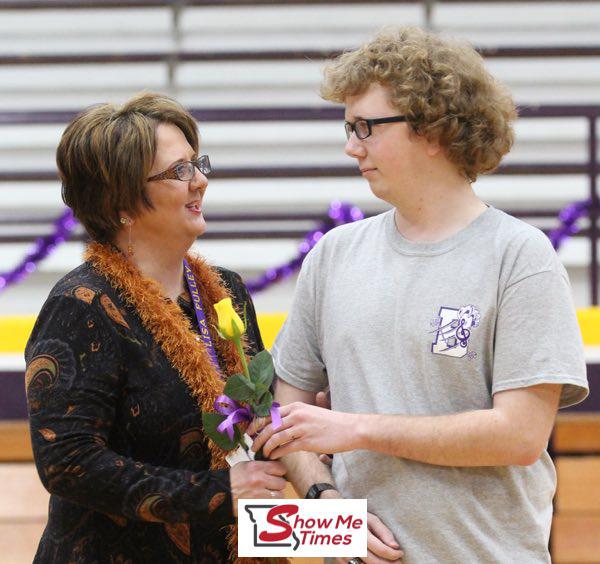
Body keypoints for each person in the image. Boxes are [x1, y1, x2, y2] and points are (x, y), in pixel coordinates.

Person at [249, 27, 589, 563]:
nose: (350, 145)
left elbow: (520, 435)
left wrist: (356, 427)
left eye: (366, 127)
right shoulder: (333, 255)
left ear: (433, 129)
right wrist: (326, 507)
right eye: (348, 127)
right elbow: (284, 418)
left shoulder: (520, 257)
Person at [25, 92, 288, 563]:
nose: (201, 181)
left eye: (198, 163)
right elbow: (68, 464)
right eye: (179, 171)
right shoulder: (81, 305)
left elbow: (252, 435)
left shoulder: (226, 290)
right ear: (121, 200)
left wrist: (337, 522)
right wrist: (218, 491)